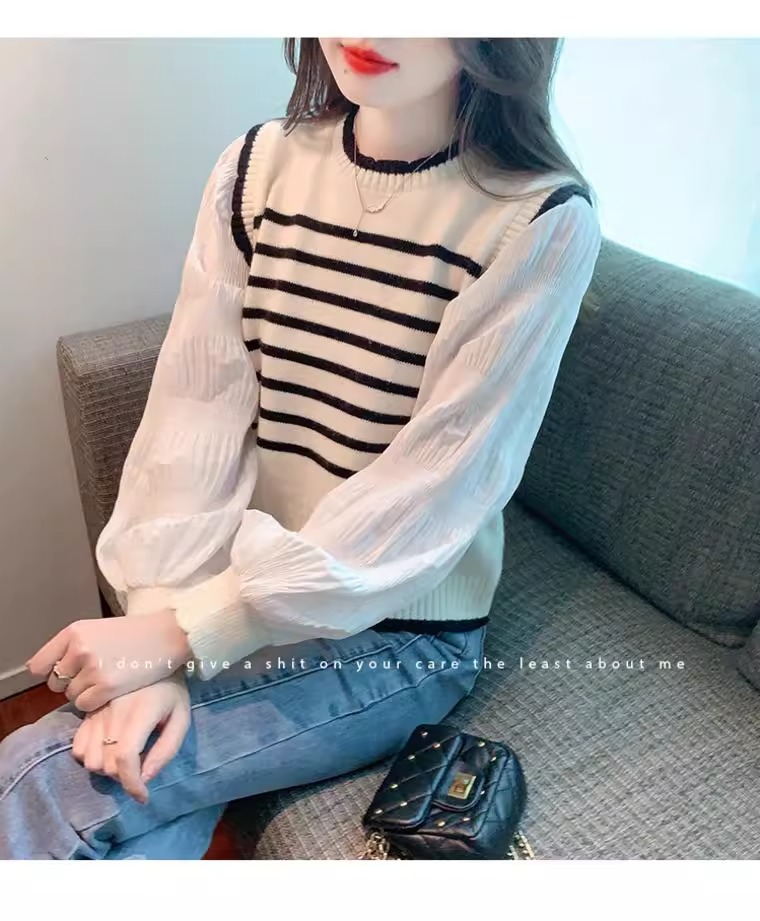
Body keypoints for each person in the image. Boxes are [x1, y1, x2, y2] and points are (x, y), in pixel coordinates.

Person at [0, 37, 601, 859]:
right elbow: (193, 422)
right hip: (236, 583)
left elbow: (430, 495)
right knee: (117, 783)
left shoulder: (539, 221)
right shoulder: (255, 169)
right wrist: (159, 631)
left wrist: (182, 637)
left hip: (399, 634)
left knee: (42, 778)